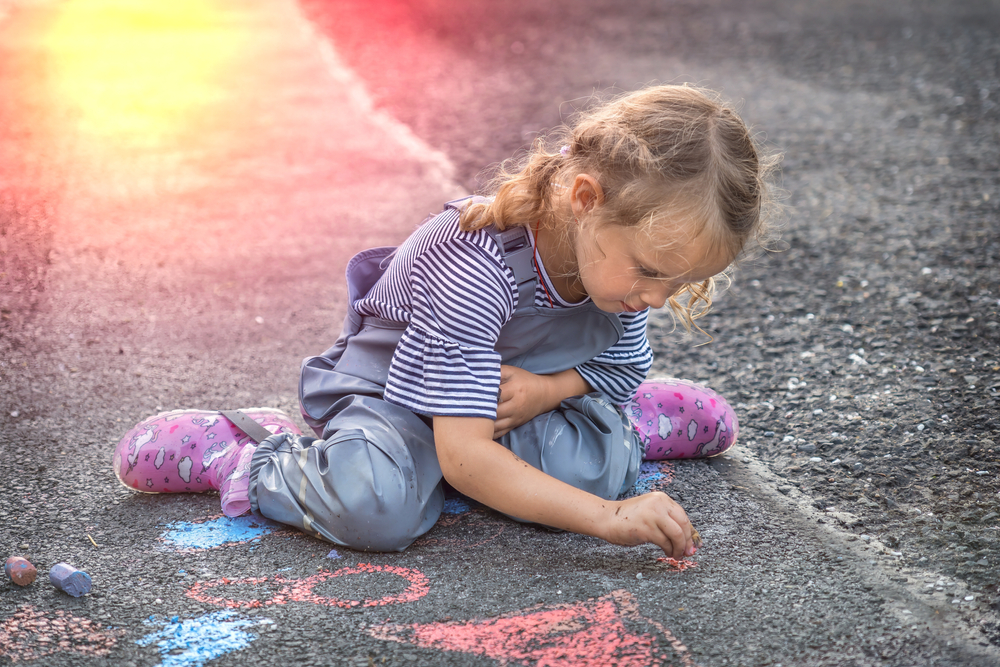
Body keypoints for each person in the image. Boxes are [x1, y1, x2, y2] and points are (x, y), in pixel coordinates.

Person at [113, 84, 776, 560]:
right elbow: (462, 456)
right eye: (653, 272)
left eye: (681, 282)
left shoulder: (616, 276)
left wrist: (554, 390)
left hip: (497, 406)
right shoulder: (476, 267)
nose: (658, 298)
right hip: (395, 400)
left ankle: (623, 421)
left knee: (594, 467)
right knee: (378, 509)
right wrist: (609, 520)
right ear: (584, 201)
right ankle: (248, 455)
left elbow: (619, 358)